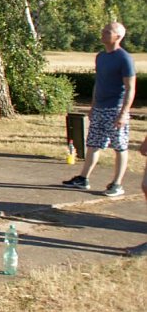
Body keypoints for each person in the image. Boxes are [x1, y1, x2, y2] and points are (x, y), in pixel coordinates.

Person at [63, 22, 136, 197]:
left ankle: (117, 184)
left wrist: (123, 112)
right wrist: (93, 106)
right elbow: (99, 82)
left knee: (120, 146)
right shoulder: (101, 56)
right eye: (103, 30)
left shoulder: (124, 58)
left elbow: (130, 87)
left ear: (118, 36)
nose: (103, 33)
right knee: (94, 144)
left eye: (107, 31)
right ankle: (83, 179)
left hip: (116, 109)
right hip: (100, 109)